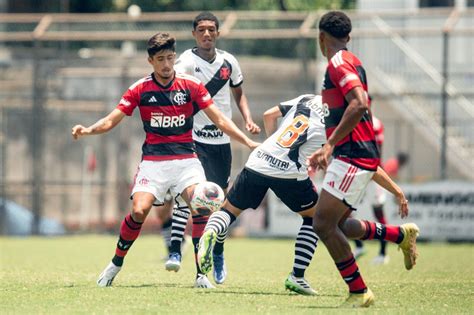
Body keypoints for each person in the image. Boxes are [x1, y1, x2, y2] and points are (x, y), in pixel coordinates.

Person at [71, 32, 259, 288]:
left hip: (186, 161)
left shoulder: (190, 85)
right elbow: (111, 119)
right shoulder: (140, 89)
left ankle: (201, 274)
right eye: (161, 59)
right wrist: (89, 130)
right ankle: (115, 264)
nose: (167, 64)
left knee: (200, 205)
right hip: (153, 162)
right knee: (139, 211)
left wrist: (247, 141)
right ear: (151, 61)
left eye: (170, 57)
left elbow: (220, 119)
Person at [307, 11, 419, 307]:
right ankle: (399, 235)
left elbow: (359, 103)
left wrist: (329, 145)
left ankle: (359, 290)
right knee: (341, 224)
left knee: (322, 223)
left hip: (352, 155)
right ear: (349, 36)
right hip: (354, 154)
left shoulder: (339, 62)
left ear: (321, 37)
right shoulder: (352, 61)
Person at [164, 11, 261, 285]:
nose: (207, 34)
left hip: (221, 143)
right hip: (192, 140)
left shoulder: (229, 62)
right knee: (190, 196)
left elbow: (238, 94)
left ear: (218, 33)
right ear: (194, 33)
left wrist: (248, 119)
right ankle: (174, 249)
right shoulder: (184, 62)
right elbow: (172, 92)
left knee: (218, 203)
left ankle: (218, 252)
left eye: (211, 30)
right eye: (202, 30)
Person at [198, 94, 326, 295]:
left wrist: (273, 147)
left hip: (260, 158)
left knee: (229, 210)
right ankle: (297, 277)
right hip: (289, 171)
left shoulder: (308, 98)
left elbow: (268, 115)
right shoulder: (340, 115)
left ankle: (209, 232)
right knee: (315, 217)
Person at [353, 114, 390, 264]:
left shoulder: (374, 123)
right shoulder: (352, 118)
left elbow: (376, 150)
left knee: (378, 212)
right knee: (343, 210)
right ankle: (359, 245)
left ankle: (383, 253)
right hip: (356, 172)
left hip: (373, 173)